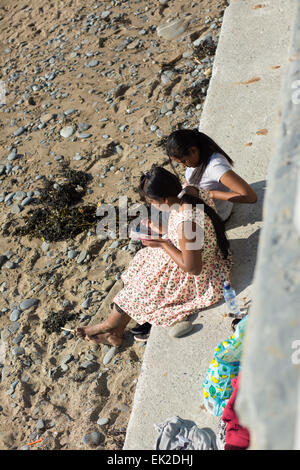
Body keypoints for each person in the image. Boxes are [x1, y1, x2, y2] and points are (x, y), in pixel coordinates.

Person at [76, 167, 232, 346]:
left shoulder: (187, 224)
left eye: (151, 201)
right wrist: (163, 231)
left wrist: (163, 243)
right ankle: (115, 330)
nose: (151, 205)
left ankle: (110, 326)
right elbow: (190, 239)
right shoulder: (189, 191)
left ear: (164, 200)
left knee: (142, 288)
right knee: (142, 266)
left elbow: (193, 268)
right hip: (201, 253)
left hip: (201, 274)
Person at [166, 129, 257, 222]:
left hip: (217, 213)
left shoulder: (215, 167)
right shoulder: (197, 158)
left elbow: (250, 197)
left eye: (183, 161)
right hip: (204, 205)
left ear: (193, 150)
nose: (182, 166)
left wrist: (209, 194)